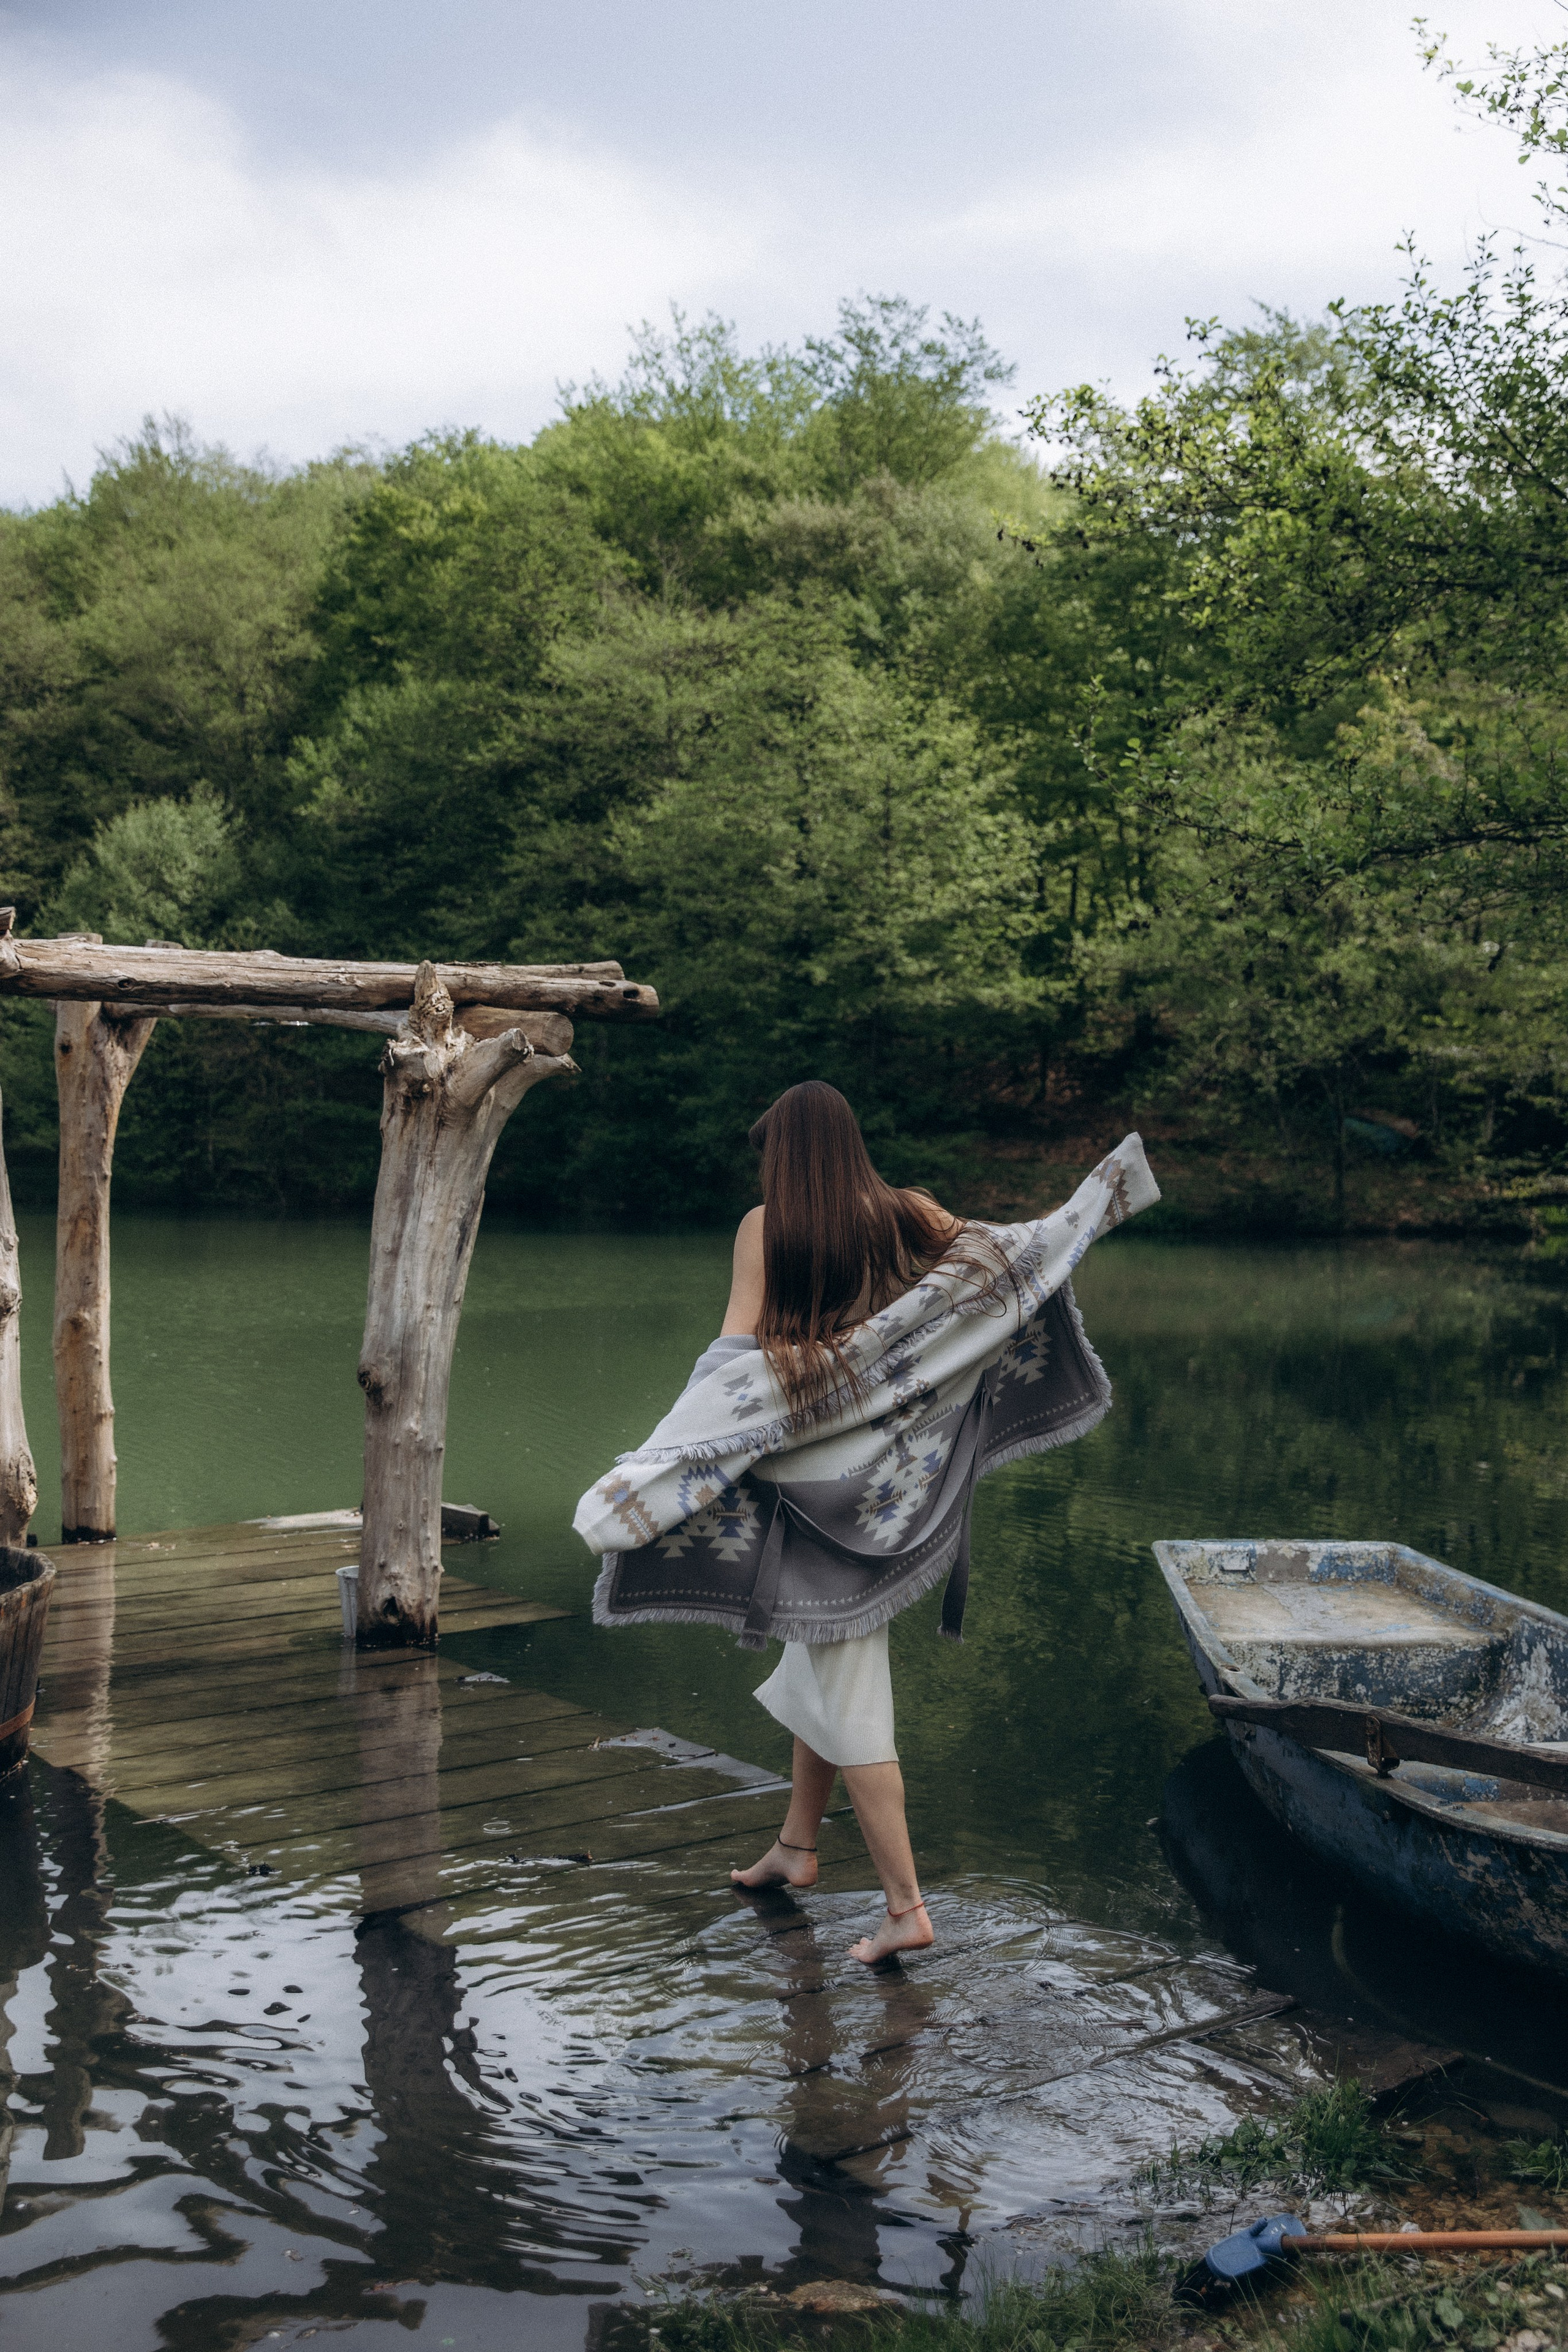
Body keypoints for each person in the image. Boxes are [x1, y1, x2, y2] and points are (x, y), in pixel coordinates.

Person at [573, 1085, 1158, 1969]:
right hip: (888, 1481)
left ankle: (905, 1907)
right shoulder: (910, 1214)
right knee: (823, 1647)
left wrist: (674, 1452)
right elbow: (1002, 1271)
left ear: (787, 1157)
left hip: (803, 1476)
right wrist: (1080, 1213)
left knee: (851, 1694)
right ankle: (797, 1851)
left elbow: (733, 1361)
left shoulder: (763, 1230)